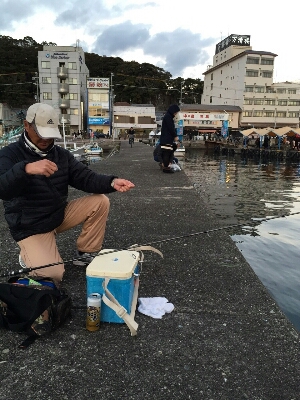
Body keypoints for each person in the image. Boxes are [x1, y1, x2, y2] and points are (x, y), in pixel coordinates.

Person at [0, 103, 135, 286]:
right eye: (41, 133)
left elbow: (85, 177)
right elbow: (3, 189)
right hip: (30, 226)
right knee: (53, 275)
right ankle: (28, 255)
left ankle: (85, 252)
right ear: (26, 125)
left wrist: (112, 182)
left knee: (100, 201)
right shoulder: (9, 154)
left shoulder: (61, 155)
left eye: (50, 133)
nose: (46, 139)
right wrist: (25, 169)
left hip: (58, 214)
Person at [160, 104, 180, 173]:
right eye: (176, 112)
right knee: (166, 153)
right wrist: (175, 136)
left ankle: (166, 167)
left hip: (165, 138)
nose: (176, 114)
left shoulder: (168, 116)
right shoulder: (168, 117)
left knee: (167, 153)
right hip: (167, 139)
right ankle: (166, 168)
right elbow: (171, 128)